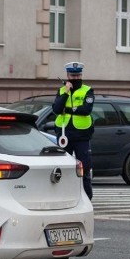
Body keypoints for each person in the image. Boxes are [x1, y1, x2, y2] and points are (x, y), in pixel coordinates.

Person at [52, 61, 95, 199]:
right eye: (72, 75)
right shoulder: (61, 91)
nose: (75, 78)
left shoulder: (87, 90)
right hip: (65, 134)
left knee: (85, 167)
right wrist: (65, 93)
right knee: (62, 168)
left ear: (81, 75)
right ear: (67, 75)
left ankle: (87, 197)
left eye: (78, 75)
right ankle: (63, 197)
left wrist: (69, 109)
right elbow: (56, 109)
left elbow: (86, 110)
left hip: (82, 134)